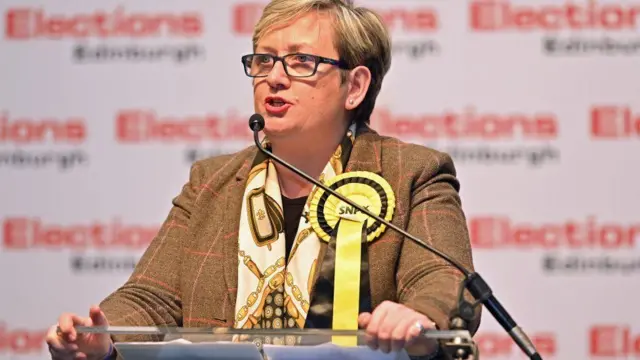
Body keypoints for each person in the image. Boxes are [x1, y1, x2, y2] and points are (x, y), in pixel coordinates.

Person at [45, 0, 481, 359]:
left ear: (355, 87)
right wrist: (101, 336)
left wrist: (418, 316)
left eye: (301, 61)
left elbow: (443, 282)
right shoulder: (212, 182)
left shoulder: (412, 173)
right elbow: (150, 300)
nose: (274, 76)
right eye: (264, 60)